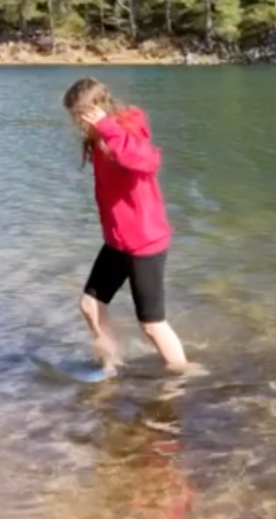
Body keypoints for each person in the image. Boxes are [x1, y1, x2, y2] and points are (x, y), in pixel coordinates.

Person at [63, 77, 189, 375]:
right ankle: (110, 365)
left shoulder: (127, 131)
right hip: (118, 241)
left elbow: (146, 162)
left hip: (145, 242)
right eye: (74, 117)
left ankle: (183, 374)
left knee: (152, 324)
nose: (77, 123)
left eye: (79, 115)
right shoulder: (98, 138)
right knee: (90, 304)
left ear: (95, 109)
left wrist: (108, 128)